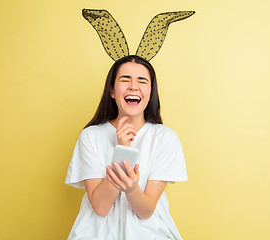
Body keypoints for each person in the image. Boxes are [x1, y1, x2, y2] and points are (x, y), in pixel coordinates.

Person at [65, 55, 188, 240]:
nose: (133, 86)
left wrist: (131, 189)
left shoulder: (165, 138)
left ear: (150, 92)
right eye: (125, 79)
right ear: (112, 91)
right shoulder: (90, 136)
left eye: (142, 80)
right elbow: (100, 207)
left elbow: (145, 210)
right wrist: (124, 150)